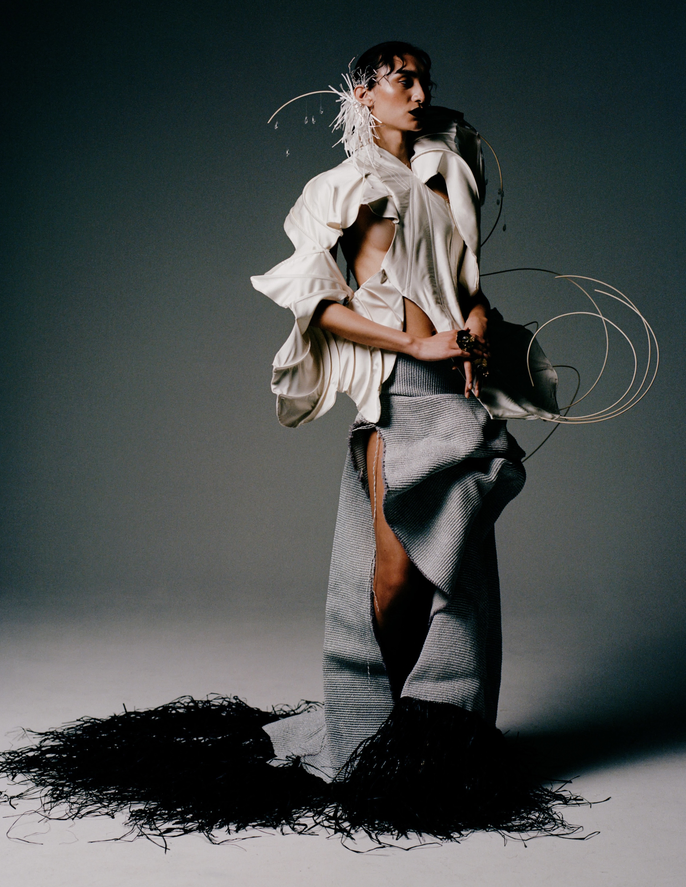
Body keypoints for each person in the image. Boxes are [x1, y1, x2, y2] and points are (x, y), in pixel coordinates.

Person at [250, 43, 565, 835]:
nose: (420, 92)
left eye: (424, 80)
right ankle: (377, 726)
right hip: (401, 389)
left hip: (457, 385)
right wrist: (417, 346)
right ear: (363, 93)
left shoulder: (446, 171)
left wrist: (478, 319)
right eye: (402, 80)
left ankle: (441, 725)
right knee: (395, 568)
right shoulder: (351, 187)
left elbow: (461, 282)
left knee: (453, 558)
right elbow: (322, 303)